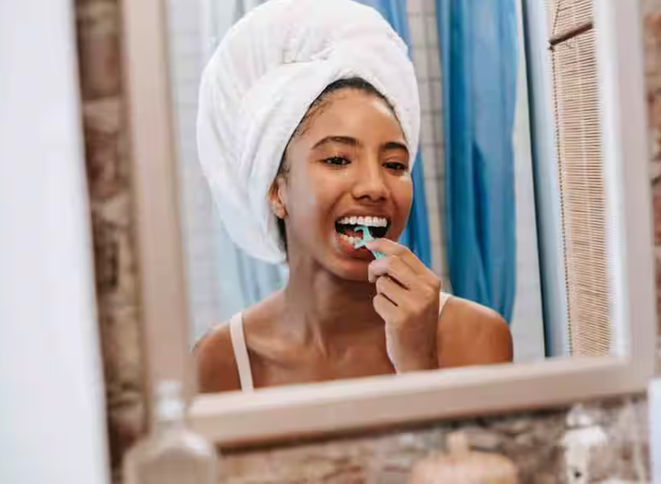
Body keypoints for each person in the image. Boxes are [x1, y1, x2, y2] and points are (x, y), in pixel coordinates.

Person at [194, 0, 512, 393]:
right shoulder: (221, 361)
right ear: (276, 191)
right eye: (338, 159)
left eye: (394, 164)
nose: (375, 187)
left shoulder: (476, 336)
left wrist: (420, 365)